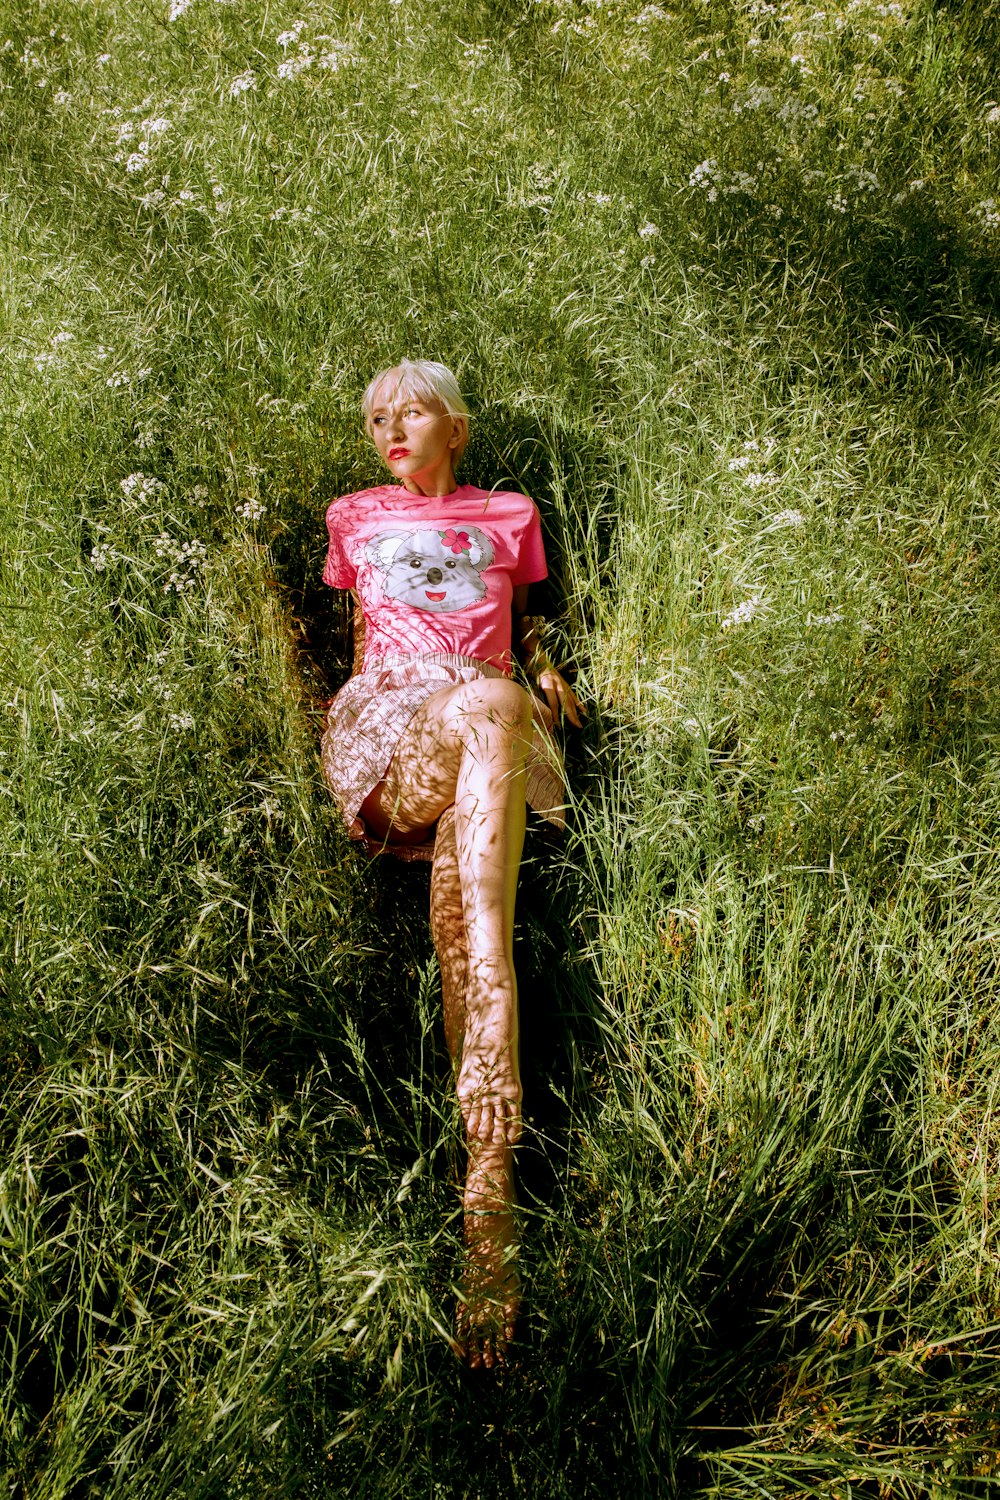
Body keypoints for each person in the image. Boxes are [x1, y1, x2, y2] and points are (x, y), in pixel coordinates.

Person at [320, 360, 583, 1370]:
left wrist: (552, 662)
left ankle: (489, 1227)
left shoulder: (508, 513)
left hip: (492, 724)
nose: (391, 424)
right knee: (486, 713)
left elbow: (532, 621)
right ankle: (501, 1006)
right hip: (401, 723)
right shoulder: (353, 513)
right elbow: (360, 642)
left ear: (458, 427)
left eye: (412, 409)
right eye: (377, 415)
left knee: (458, 910)